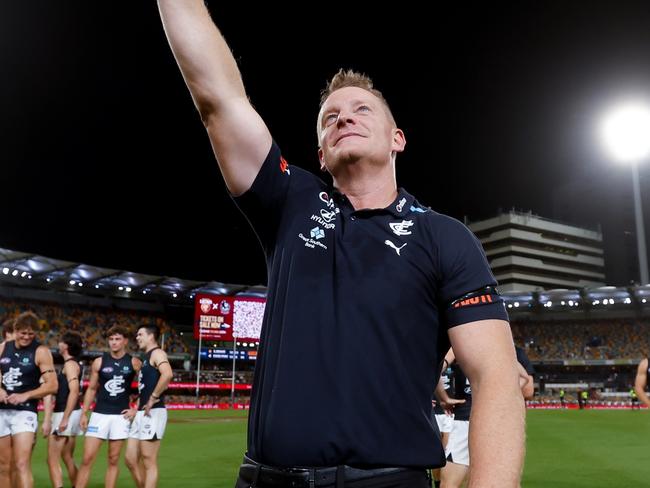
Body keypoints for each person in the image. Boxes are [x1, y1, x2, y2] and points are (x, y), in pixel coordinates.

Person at [157, 3, 525, 486]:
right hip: (265, 479)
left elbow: (496, 377)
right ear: (321, 154)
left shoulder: (444, 236)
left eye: (361, 109)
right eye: (330, 117)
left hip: (386, 480)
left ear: (397, 139)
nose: (343, 118)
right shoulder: (290, 201)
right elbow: (218, 99)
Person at [437, 348, 531, 488]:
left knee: (448, 484)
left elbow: (437, 371)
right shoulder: (496, 350)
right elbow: (524, 378)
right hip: (491, 421)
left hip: (464, 420)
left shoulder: (458, 348)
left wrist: (444, 398)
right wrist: (501, 397)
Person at [76, 325, 141, 488]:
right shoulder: (99, 361)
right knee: (87, 458)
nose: (114, 342)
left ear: (125, 341)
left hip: (121, 417)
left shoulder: (134, 362)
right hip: (99, 415)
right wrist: (84, 413)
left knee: (113, 460)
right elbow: (91, 388)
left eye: (117, 339)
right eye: (111, 339)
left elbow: (147, 387)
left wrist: (135, 408)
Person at [0, 311, 58, 488]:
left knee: (22, 464)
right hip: (2, 411)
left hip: (25, 411)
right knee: (3, 466)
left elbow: (52, 385)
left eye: (30, 333)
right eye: (23, 333)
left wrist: (26, 395)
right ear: (15, 330)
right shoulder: (3, 347)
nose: (26, 337)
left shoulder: (41, 351)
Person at [125, 325, 173, 488]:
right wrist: (136, 407)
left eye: (140, 334)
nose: (137, 337)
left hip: (154, 412)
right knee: (130, 460)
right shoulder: (145, 357)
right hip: (141, 413)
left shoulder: (157, 353)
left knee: (148, 459)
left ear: (151, 336)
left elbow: (167, 374)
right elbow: (144, 388)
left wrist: (153, 398)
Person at [42, 331, 84, 488]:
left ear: (65, 346)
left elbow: (74, 391)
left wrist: (65, 418)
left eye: (60, 341)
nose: (58, 344)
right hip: (72, 412)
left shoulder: (69, 365)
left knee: (52, 459)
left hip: (64, 413)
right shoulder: (74, 364)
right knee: (67, 457)